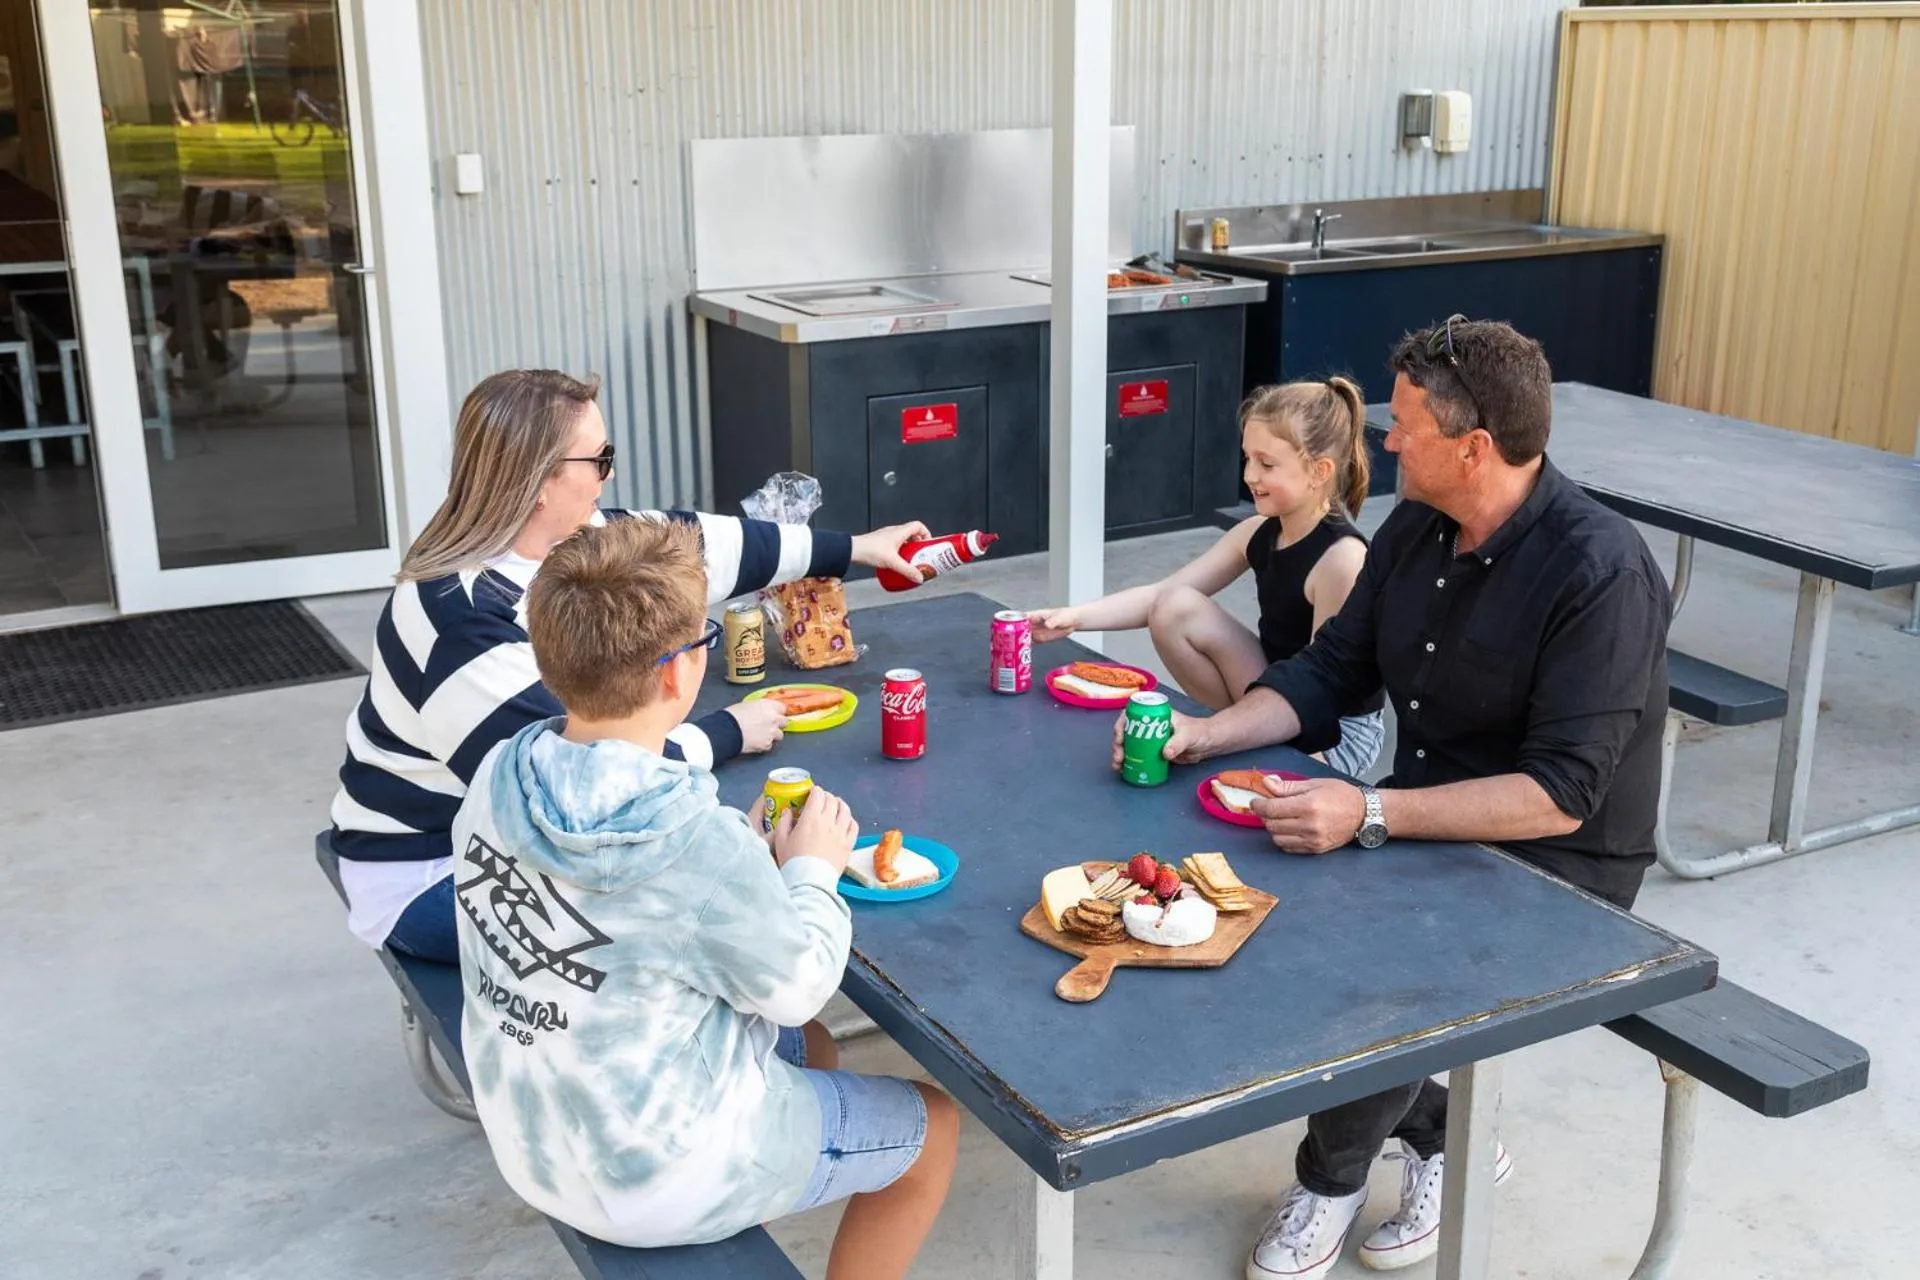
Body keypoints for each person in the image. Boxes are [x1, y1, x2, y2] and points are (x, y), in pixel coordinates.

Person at [1113, 319, 1671, 1280]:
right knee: (1250, 909)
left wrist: (1370, 814)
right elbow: (1329, 671)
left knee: (1378, 962)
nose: (1386, 442)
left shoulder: (1600, 570)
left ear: (1473, 447)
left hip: (1561, 866)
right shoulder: (1417, 527)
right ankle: (1450, 1142)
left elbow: (1564, 796)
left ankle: (1328, 1188)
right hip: (1428, 820)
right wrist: (1208, 734)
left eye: (1405, 426)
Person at [451, 517, 957, 1273]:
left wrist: (744, 860)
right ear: (677, 673)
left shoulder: (499, 771)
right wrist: (811, 868)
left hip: (532, 1137)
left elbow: (631, 910)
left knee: (810, 1050)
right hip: (653, 1179)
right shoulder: (695, 841)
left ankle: (802, 1155)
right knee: (937, 1125)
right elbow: (797, 987)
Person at [331, 368, 931, 963]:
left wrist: (856, 548)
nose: (611, 473)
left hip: (526, 830)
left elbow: (710, 545)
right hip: (434, 871)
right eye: (600, 458)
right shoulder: (458, 615)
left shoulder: (577, 534)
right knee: (697, 925)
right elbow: (575, 789)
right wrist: (724, 733)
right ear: (539, 480)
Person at [1030, 377, 1385, 777]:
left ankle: (1254, 745)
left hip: (1335, 734)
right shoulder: (1257, 532)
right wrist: (1073, 617)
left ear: (1319, 471)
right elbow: (1162, 595)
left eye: (1267, 464)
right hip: (1277, 693)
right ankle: (1239, 734)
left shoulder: (1342, 559)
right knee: (1174, 607)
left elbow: (1327, 688)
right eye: (1247, 459)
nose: (1250, 475)